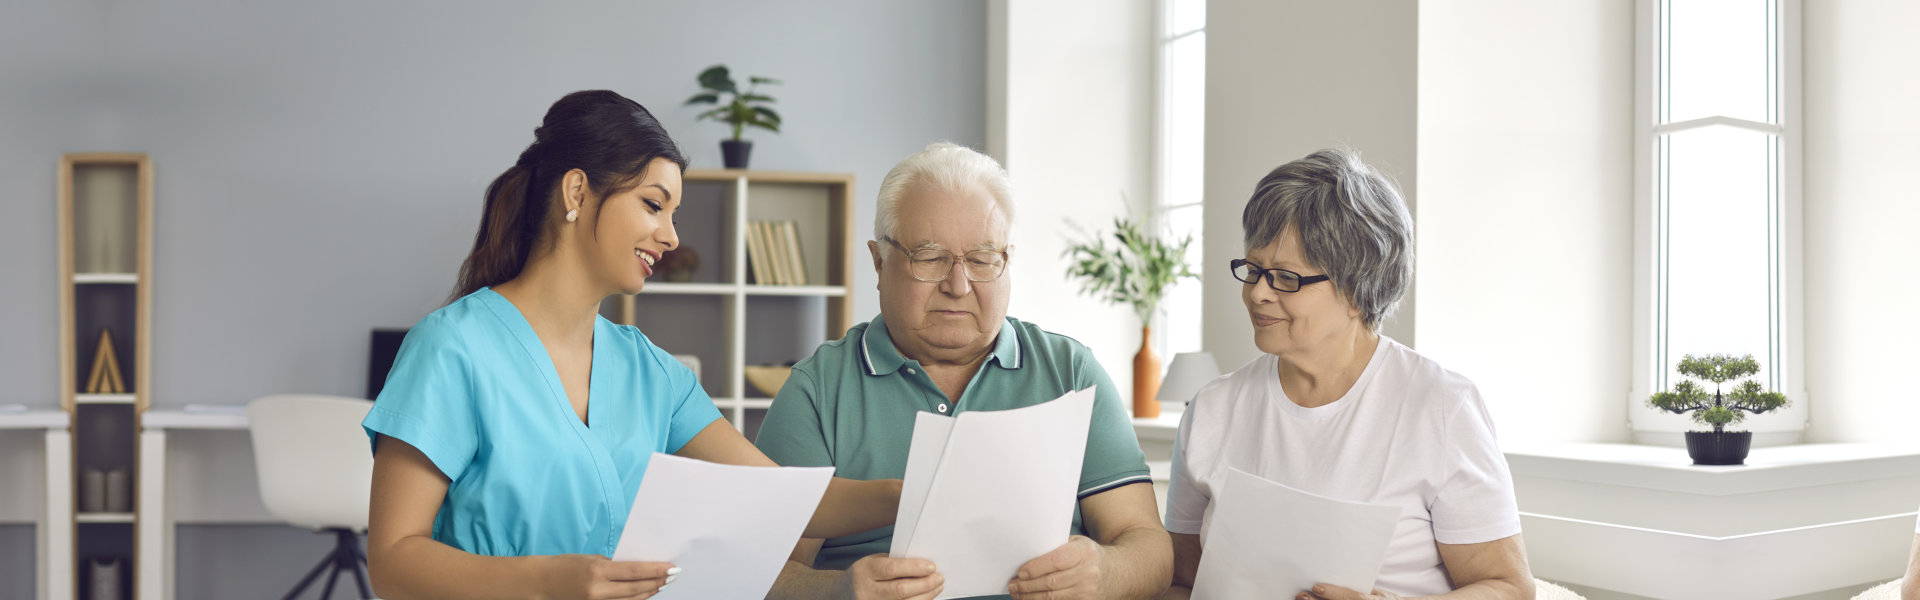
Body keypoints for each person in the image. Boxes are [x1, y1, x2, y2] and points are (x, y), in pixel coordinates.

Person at [361, 90, 899, 600]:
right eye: (653, 204)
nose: (670, 236)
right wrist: (547, 582)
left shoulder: (651, 371)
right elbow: (392, 560)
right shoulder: (452, 348)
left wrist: (904, 495)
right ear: (577, 192)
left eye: (672, 214)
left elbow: (784, 501)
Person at [755, 142, 1173, 600]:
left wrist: (1107, 571)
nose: (958, 286)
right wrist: (837, 591)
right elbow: (761, 572)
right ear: (879, 261)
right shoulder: (818, 390)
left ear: (1007, 261)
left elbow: (1148, 545)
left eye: (981, 259)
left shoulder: (1071, 373)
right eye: (930, 258)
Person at [1162, 149, 1534, 600]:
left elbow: (1508, 588)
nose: (1258, 293)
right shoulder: (1212, 410)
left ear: (1358, 291)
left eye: (1285, 278)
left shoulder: (1440, 406)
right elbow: (1182, 583)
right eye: (1254, 269)